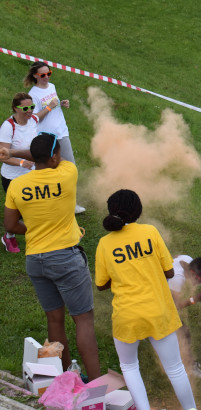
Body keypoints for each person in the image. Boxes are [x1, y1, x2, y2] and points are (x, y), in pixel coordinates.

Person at [3, 132, 100, 378]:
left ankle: (67, 377)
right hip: (66, 259)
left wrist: (35, 228)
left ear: (35, 157)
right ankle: (98, 386)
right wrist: (17, 153)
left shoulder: (17, 185)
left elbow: (11, 226)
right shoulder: (67, 174)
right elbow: (50, 157)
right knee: (83, 321)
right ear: (55, 156)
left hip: (36, 261)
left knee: (54, 320)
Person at [95, 189, 196, 410]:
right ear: (138, 211)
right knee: (176, 369)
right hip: (158, 311)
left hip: (126, 315)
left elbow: (101, 284)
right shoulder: (150, 231)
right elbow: (169, 272)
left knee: (129, 366)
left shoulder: (104, 243)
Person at [24, 61, 85, 214]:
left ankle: (71, 204)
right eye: (42, 75)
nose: (46, 77)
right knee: (51, 170)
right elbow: (35, 118)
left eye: (48, 73)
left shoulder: (52, 87)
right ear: (35, 76)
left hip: (61, 132)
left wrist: (61, 103)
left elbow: (53, 105)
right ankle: (52, 203)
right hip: (46, 137)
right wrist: (50, 106)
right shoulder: (33, 95)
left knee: (71, 168)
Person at [1, 92, 39, 252]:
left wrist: (52, 106)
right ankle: (8, 236)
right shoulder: (8, 126)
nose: (30, 111)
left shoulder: (34, 120)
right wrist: (22, 162)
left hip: (31, 174)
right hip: (12, 177)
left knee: (32, 207)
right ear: (16, 108)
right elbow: (2, 155)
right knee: (16, 210)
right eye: (26, 108)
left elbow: (40, 114)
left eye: (32, 107)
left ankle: (33, 235)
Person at [167, 255, 201, 379]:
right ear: (192, 273)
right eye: (198, 281)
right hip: (153, 302)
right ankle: (189, 367)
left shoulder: (187, 259)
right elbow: (174, 306)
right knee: (183, 332)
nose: (198, 284)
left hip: (156, 293)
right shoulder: (177, 279)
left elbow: (175, 257)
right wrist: (195, 299)